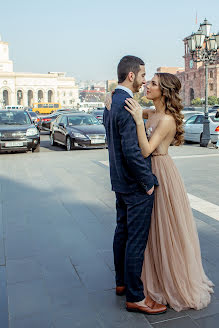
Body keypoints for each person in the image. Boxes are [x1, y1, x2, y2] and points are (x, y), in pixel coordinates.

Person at [123, 72, 214, 312]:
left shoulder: (166, 120)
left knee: (165, 226)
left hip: (160, 171)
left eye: (152, 83)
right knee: (152, 228)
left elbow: (146, 150)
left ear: (163, 91)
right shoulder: (152, 113)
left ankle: (170, 280)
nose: (147, 86)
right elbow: (131, 108)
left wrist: (138, 121)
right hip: (150, 171)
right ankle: (153, 275)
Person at [103, 55, 167, 315]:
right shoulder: (128, 103)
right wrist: (148, 181)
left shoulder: (112, 101)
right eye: (142, 76)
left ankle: (121, 283)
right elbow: (131, 150)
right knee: (135, 241)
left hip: (119, 182)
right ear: (131, 76)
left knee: (122, 233)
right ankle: (136, 297)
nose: (143, 81)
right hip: (134, 184)